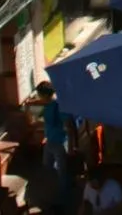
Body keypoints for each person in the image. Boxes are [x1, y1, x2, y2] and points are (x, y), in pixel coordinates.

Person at [36, 81, 76, 209]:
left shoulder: (58, 105)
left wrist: (70, 146)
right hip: (50, 142)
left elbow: (69, 126)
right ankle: (53, 194)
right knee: (48, 168)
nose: (39, 97)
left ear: (45, 95)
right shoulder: (47, 106)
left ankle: (64, 201)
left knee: (62, 172)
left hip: (59, 143)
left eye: (39, 95)